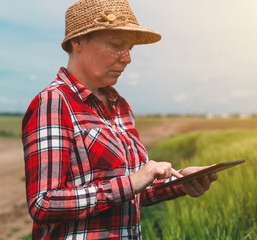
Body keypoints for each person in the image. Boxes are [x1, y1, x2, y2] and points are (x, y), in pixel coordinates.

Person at [22, 0, 218, 239]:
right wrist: (131, 183)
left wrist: (180, 182)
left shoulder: (120, 106)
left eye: (130, 48)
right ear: (78, 41)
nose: (127, 59)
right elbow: (43, 203)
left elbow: (133, 193)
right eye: (116, 45)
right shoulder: (54, 102)